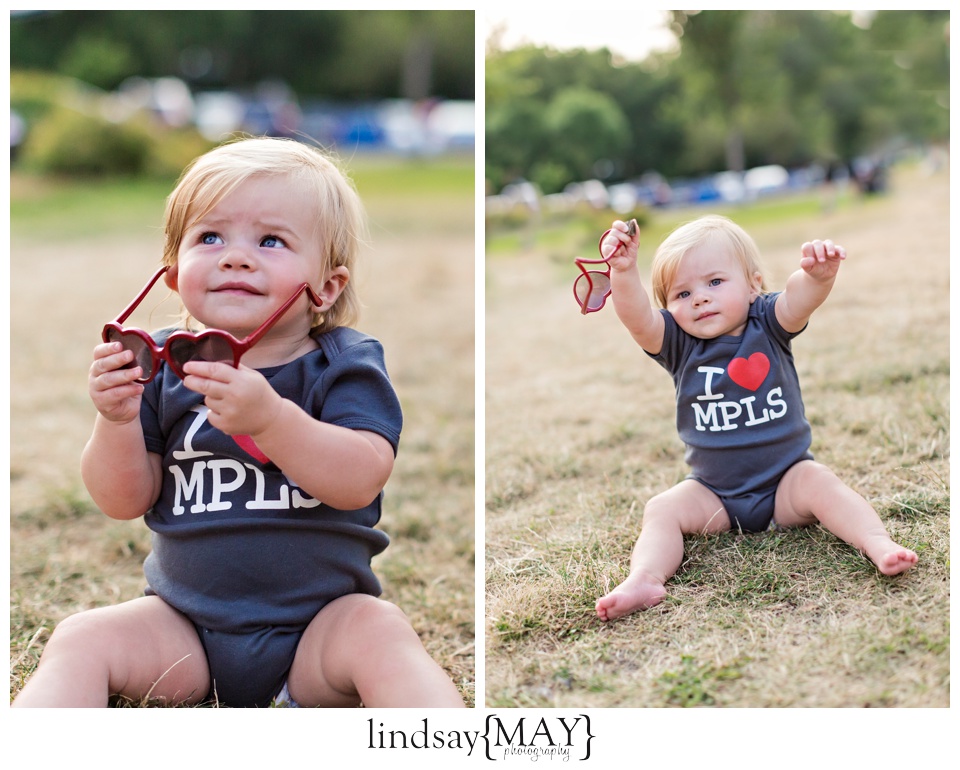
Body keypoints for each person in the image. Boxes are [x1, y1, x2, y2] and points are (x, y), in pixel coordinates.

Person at [13, 137, 465, 707]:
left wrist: (272, 420)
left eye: (271, 240)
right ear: (173, 275)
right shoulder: (157, 365)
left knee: (381, 631)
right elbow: (123, 499)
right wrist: (116, 419)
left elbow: (361, 478)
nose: (236, 255)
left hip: (317, 631)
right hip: (183, 631)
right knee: (80, 638)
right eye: (210, 237)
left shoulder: (342, 361)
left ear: (326, 287)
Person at [590, 214, 917, 622]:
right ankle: (645, 577)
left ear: (753, 286)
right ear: (670, 308)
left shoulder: (768, 322)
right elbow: (636, 315)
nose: (699, 298)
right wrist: (623, 272)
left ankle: (877, 543)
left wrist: (817, 277)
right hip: (714, 494)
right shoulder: (677, 343)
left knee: (821, 483)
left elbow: (799, 298)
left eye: (714, 282)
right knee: (661, 509)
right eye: (682, 293)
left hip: (786, 484)